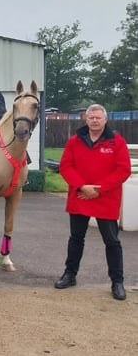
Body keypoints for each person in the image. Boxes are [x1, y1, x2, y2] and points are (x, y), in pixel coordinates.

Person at [54, 104, 131, 300]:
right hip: (80, 196)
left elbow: (123, 170)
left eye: (98, 117)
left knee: (112, 241)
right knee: (76, 238)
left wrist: (98, 189)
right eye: (91, 117)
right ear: (86, 119)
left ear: (105, 120)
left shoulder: (116, 142)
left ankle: (117, 281)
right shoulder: (74, 141)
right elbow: (66, 166)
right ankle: (70, 275)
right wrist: (82, 186)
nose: (95, 121)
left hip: (105, 198)